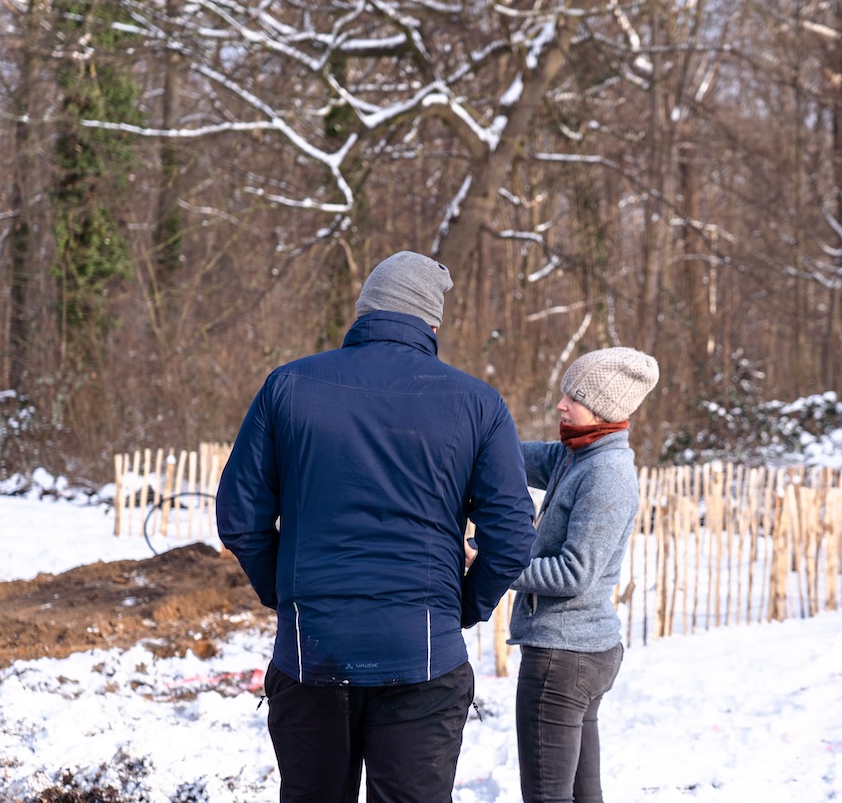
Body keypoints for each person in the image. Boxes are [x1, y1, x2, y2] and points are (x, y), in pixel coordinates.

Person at [216, 251, 537, 803]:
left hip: (311, 651)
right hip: (423, 655)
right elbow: (510, 539)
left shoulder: (287, 386)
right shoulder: (478, 403)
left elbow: (240, 519)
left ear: (364, 312)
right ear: (431, 323)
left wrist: (288, 595)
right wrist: (461, 606)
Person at [508, 346, 659, 803]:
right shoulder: (575, 455)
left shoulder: (606, 473)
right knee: (580, 794)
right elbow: (512, 457)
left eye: (572, 397)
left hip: (563, 656)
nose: (561, 404)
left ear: (602, 409)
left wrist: (492, 563)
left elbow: (574, 574)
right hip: (579, 653)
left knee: (547, 796)